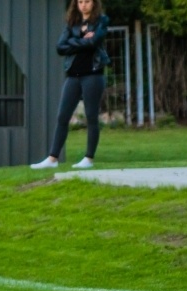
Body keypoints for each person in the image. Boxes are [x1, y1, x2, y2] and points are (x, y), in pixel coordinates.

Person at [31, 0, 110, 170]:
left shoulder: (101, 21)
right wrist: (82, 39)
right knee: (62, 116)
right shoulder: (72, 23)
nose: (83, 5)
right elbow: (60, 47)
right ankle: (52, 159)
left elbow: (94, 42)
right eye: (80, 1)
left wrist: (74, 42)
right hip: (73, 76)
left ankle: (88, 158)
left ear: (94, 3)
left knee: (91, 117)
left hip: (93, 75)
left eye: (87, 1)